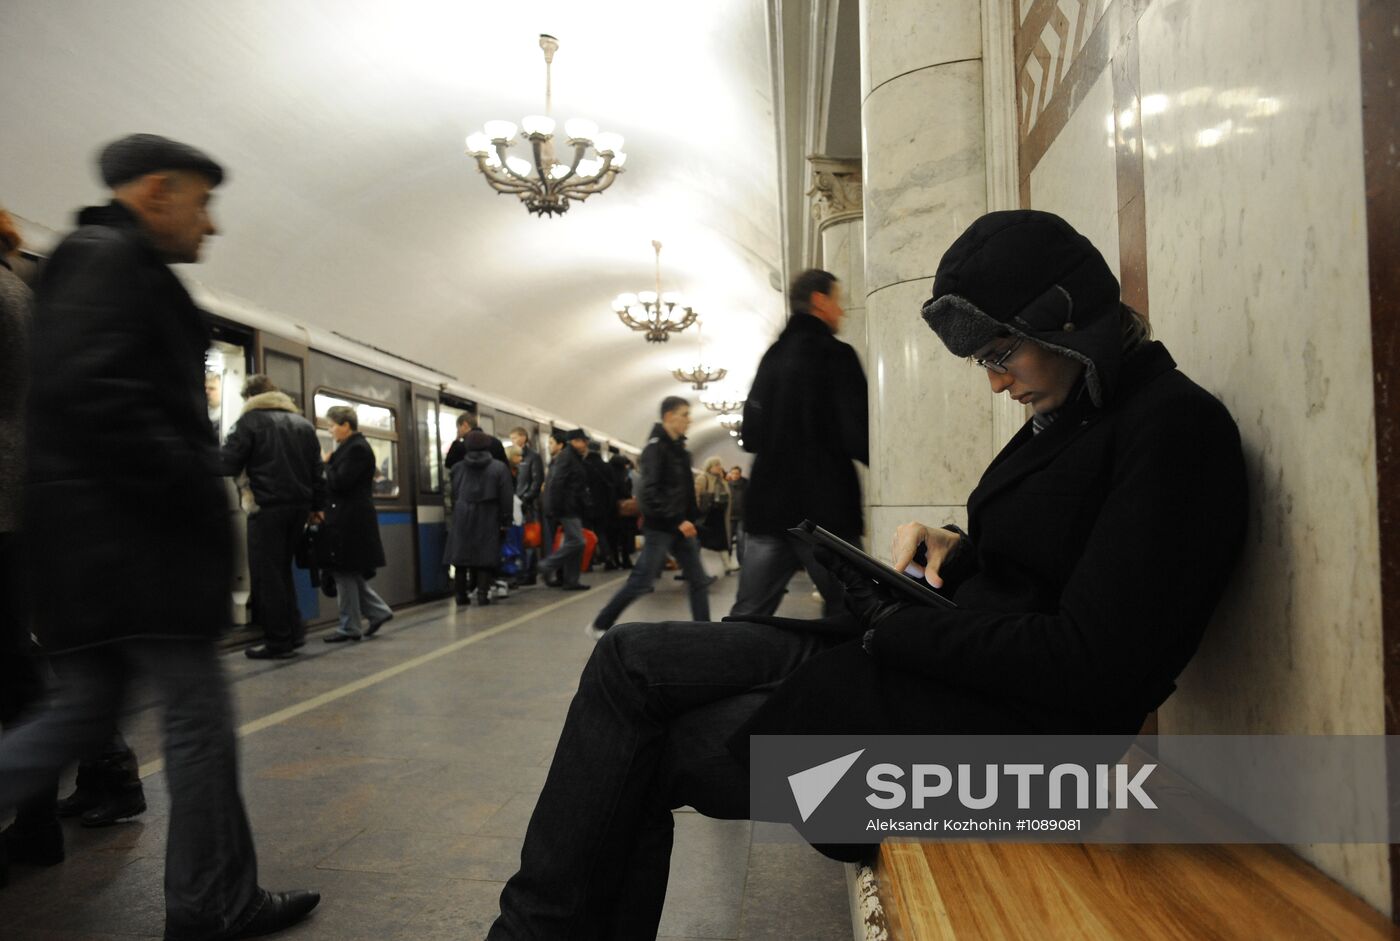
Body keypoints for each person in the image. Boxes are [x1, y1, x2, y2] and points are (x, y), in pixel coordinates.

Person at [487, 210, 1249, 940]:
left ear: (1066, 319)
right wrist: (958, 548)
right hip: (939, 673)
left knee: (655, 752)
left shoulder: (1175, 431)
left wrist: (905, 626)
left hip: (1012, 748)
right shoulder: (1085, 410)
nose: (995, 382)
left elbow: (1091, 665)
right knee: (627, 660)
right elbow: (1047, 562)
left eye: (1001, 352)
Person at [0, 133, 318, 938]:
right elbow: (101, 403)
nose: (210, 226)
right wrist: (190, 482)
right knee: (197, 727)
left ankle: (220, 898)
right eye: (203, 202)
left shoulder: (91, 261)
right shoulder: (109, 262)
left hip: (99, 555)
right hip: (136, 554)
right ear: (156, 192)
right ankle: (215, 904)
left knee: (76, 722)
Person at [730, 268, 869, 619]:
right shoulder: (837, 355)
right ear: (820, 301)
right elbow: (857, 431)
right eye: (839, 302)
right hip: (825, 512)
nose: (842, 311)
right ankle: (839, 673)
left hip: (769, 505)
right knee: (854, 608)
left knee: (750, 611)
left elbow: (750, 435)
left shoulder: (772, 357)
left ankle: (726, 671)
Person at [585, 397, 711, 640]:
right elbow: (650, 492)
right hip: (660, 527)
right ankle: (600, 623)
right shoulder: (655, 449)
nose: (689, 420)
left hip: (679, 525)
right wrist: (677, 520)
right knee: (642, 580)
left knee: (698, 580)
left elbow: (684, 490)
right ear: (669, 417)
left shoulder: (680, 451)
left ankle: (704, 632)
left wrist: (692, 518)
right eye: (684, 414)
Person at [222, 375, 326, 660]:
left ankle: (279, 641)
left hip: (266, 508)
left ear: (250, 398)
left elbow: (228, 461)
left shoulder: (249, 422)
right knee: (282, 572)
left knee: (268, 576)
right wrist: (317, 506)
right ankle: (294, 633)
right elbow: (317, 472)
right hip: (298, 510)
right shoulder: (303, 425)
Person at [321, 405, 394, 642]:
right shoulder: (351, 448)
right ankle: (377, 612)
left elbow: (341, 482)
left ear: (345, 425)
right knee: (348, 573)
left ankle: (350, 626)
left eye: (332, 425)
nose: (330, 430)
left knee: (344, 572)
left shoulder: (357, 449)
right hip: (349, 518)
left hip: (350, 520)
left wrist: (326, 465)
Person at [448, 430, 515, 606]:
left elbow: (453, 493)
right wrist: (505, 520)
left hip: (463, 512)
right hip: (488, 512)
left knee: (461, 556)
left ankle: (460, 596)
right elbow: (506, 497)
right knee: (485, 554)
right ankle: (483, 595)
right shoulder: (499, 468)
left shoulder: (457, 468)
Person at [537, 429, 592, 591]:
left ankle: (571, 580)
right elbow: (556, 483)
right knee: (578, 541)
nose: (586, 444)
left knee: (573, 543)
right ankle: (547, 564)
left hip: (572, 506)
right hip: (566, 507)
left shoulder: (574, 457)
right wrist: (555, 507)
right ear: (574, 441)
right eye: (583, 441)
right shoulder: (567, 457)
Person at [510, 427, 545, 585]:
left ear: (524, 437)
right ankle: (521, 571)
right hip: (516, 504)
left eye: (515, 437)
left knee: (529, 539)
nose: (513, 441)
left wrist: (526, 499)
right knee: (520, 539)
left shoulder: (533, 457)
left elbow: (537, 481)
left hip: (528, 505)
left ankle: (529, 573)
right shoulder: (514, 458)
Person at [695, 456, 738, 576]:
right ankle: (694, 569)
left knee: (722, 541)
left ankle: (727, 565)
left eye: (720, 465)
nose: (719, 467)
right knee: (698, 542)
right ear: (710, 467)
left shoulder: (722, 481)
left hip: (719, 516)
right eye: (716, 465)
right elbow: (696, 496)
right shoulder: (702, 479)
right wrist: (696, 512)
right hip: (706, 516)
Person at [583, 440, 617, 571]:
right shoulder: (607, 466)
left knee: (587, 533)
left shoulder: (584, 465)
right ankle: (608, 557)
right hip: (604, 506)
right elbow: (611, 488)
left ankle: (589, 562)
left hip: (587, 505)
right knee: (601, 532)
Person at [608, 454, 637, 569]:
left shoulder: (609, 476)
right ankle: (626, 560)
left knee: (613, 538)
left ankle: (615, 560)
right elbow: (625, 492)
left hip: (611, 511)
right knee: (625, 537)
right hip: (624, 511)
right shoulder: (624, 477)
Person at [726, 465, 748, 565]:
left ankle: (741, 562)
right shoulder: (727, 485)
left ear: (740, 474)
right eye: (733, 473)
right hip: (729, 517)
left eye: (737, 473)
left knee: (741, 541)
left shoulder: (746, 485)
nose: (735, 475)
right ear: (730, 474)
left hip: (742, 518)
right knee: (728, 540)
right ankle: (728, 562)